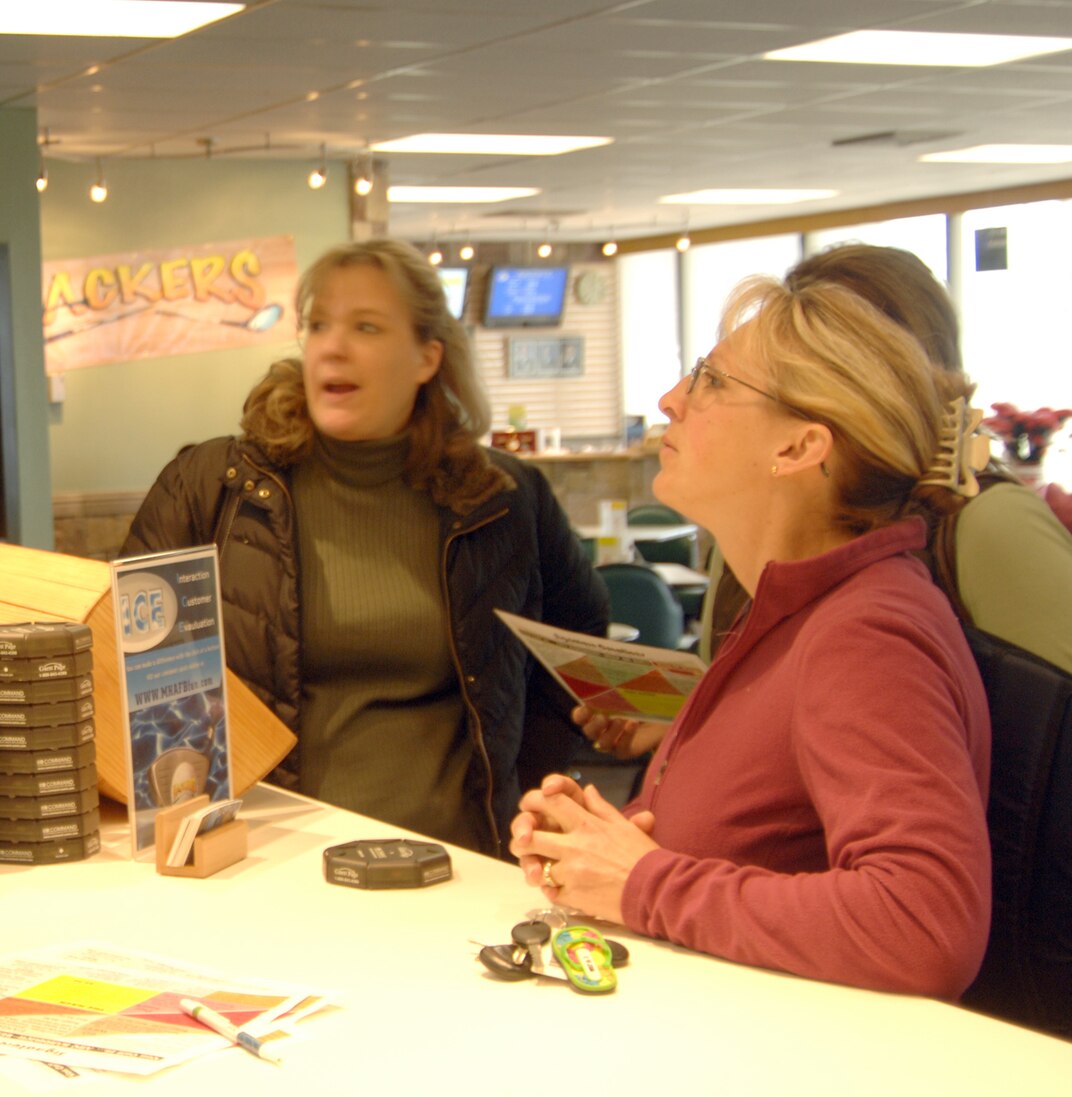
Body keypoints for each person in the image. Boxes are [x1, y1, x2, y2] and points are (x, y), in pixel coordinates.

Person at [511, 274, 993, 999]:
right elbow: (754, 855)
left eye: (709, 382)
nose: (672, 398)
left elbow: (924, 925)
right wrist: (599, 851)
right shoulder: (794, 612)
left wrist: (645, 880)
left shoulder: (866, 633)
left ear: (798, 446)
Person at [122, 239, 607, 855]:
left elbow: (577, 640)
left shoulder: (504, 498)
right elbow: (125, 673)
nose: (333, 345)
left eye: (367, 327)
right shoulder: (214, 487)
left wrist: (525, 788)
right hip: (260, 866)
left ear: (427, 357)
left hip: (460, 862)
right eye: (318, 324)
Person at [588, 243, 1072, 759]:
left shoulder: (980, 524)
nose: (675, 399)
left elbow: (1043, 741)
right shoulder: (759, 522)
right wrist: (688, 721)